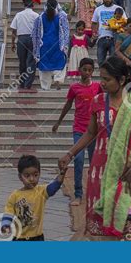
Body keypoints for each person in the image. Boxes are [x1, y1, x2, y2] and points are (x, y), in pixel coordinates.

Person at [58, 56, 131, 240]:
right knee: (102, 231)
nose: (102, 83)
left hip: (128, 171)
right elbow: (89, 133)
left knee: (130, 230)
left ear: (121, 80)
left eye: (107, 79)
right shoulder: (97, 101)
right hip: (101, 172)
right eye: (101, 78)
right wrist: (70, 154)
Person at [52, 58, 101, 205]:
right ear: (79, 69)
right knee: (78, 160)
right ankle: (78, 193)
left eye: (89, 70)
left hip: (94, 130)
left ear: (93, 71)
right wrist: (58, 122)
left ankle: (95, 194)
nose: (87, 72)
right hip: (79, 129)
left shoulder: (98, 87)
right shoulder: (74, 88)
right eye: (84, 69)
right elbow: (68, 105)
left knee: (94, 162)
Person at [1, 155, 65, 241]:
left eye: (35, 175)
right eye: (27, 176)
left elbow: (53, 187)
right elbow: (9, 212)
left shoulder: (41, 191)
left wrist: (61, 175)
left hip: (37, 236)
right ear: (20, 177)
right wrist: (5, 224)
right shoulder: (15, 195)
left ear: (39, 174)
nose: (32, 179)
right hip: (19, 237)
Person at [32, 0, 70, 90]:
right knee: (60, 63)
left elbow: (35, 34)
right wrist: (65, 45)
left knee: (44, 65)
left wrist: (35, 48)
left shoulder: (39, 18)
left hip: (44, 46)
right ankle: (58, 80)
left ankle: (45, 86)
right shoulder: (62, 17)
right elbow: (66, 32)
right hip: (57, 45)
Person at [10, 3, 39, 90]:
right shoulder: (36, 15)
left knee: (22, 62)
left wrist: (12, 43)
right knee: (31, 62)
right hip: (32, 39)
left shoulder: (18, 15)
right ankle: (28, 84)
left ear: (24, 5)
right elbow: (39, 30)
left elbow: (13, 30)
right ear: (33, 6)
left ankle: (22, 83)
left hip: (21, 39)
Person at [91, 0, 123, 67]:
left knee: (113, 62)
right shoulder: (98, 9)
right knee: (101, 61)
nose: (107, 0)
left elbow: (124, 22)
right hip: (101, 38)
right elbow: (94, 23)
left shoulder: (118, 8)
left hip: (114, 39)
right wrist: (94, 33)